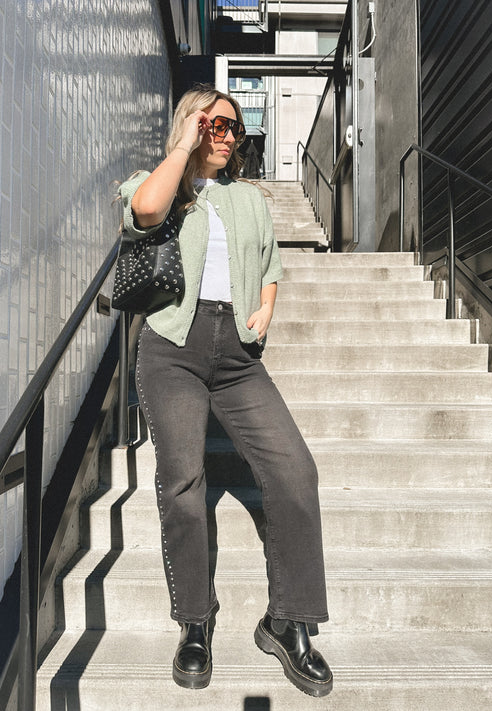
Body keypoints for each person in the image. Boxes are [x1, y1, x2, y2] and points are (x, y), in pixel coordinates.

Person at [118, 84, 332, 698]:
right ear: (190, 124)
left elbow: (269, 266)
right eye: (213, 123)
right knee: (183, 483)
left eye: (232, 127)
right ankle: (195, 622)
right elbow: (148, 212)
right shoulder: (157, 183)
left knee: (295, 471)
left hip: (238, 355)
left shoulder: (249, 198)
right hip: (172, 349)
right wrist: (183, 147)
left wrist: (266, 306)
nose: (225, 134)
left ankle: (288, 622)